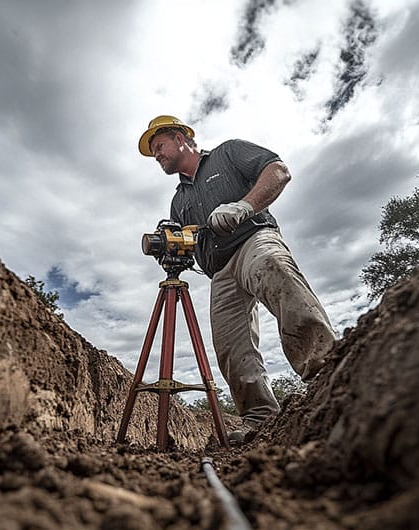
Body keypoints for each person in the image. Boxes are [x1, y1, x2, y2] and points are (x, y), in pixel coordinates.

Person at [138, 115, 337, 444]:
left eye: (159, 146)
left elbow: (278, 171)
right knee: (230, 346)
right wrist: (173, 253)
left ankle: (328, 376)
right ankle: (260, 419)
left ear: (180, 138)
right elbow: (187, 245)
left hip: (254, 239)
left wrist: (243, 206)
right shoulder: (179, 202)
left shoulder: (227, 154)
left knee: (275, 268)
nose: (157, 155)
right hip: (220, 270)